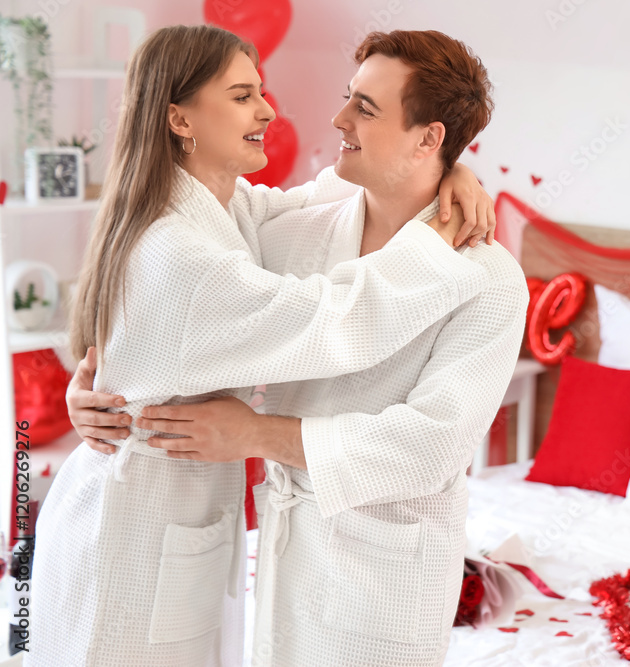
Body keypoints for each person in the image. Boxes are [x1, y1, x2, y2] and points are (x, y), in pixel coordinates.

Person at [28, 24, 497, 667]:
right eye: (243, 94)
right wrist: (437, 198)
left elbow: (429, 445)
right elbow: (338, 316)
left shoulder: (230, 215)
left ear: (429, 136)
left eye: (364, 106)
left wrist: (451, 168)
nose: (277, 111)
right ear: (179, 119)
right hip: (135, 533)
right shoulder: (195, 249)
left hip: (380, 577)